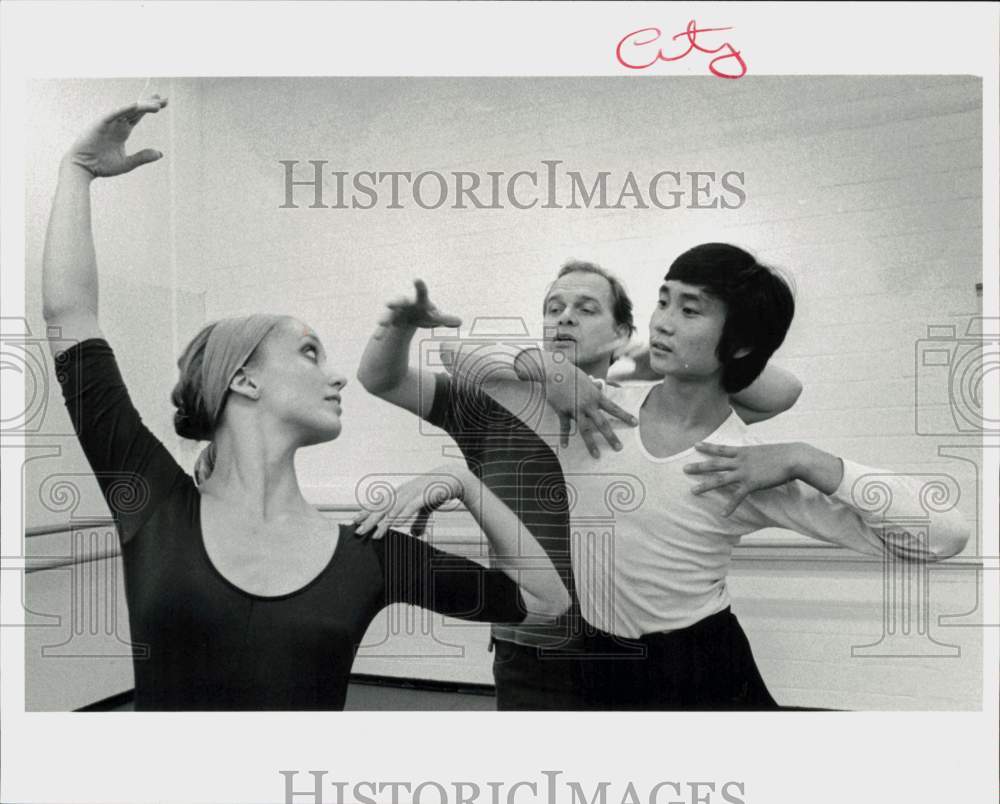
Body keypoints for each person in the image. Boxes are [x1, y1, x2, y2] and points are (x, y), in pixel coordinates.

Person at [41, 97, 569, 711]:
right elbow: (70, 316)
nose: (337, 376)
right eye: (310, 352)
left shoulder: (368, 553)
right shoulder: (154, 502)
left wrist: (462, 482)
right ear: (244, 379)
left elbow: (547, 605)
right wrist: (76, 170)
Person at [446, 245, 970, 709]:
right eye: (664, 300)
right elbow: (454, 352)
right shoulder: (593, 409)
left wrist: (810, 459)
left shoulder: (744, 467)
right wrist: (546, 367)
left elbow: (944, 535)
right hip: (601, 666)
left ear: (738, 346)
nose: (663, 323)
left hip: (703, 669)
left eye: (689, 310)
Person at [357, 265, 803, 710]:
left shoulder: (652, 410)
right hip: (532, 652)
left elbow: (782, 390)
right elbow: (387, 377)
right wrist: (542, 365)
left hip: (639, 652)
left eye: (586, 309)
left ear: (621, 330)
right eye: (554, 308)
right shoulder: (491, 407)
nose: (565, 318)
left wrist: (649, 354)